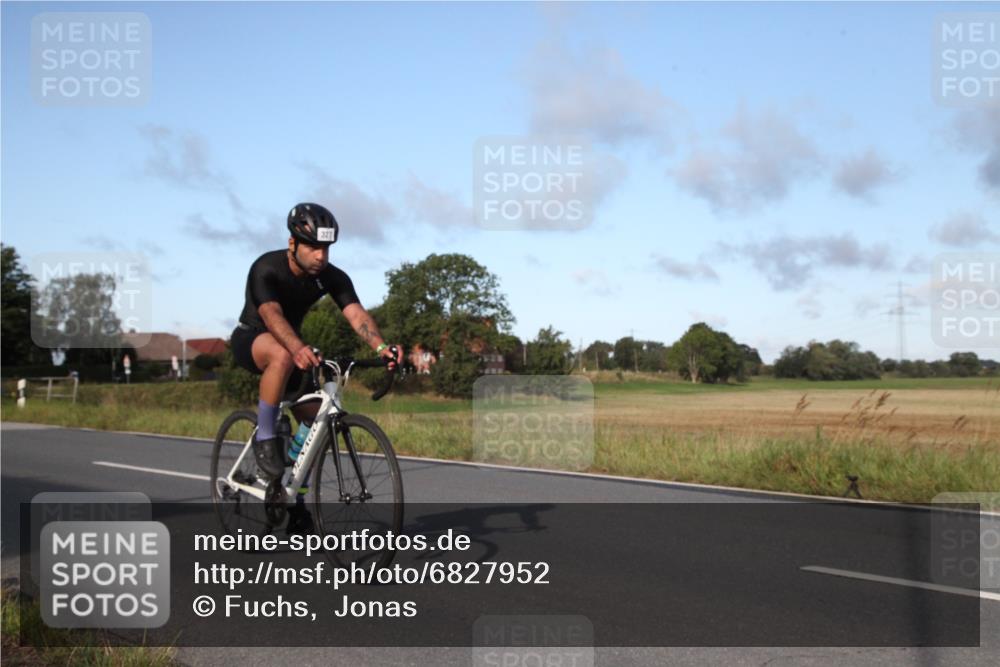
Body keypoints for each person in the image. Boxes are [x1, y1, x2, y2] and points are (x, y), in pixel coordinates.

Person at [229, 203, 403, 488]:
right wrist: (297, 348)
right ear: (292, 243)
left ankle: (293, 498)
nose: (321, 256)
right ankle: (265, 439)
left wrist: (381, 347)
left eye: (326, 248)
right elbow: (271, 314)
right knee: (282, 355)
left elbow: (356, 314)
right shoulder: (266, 268)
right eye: (312, 247)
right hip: (253, 339)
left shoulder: (332, 277)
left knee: (315, 426)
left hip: (293, 348)